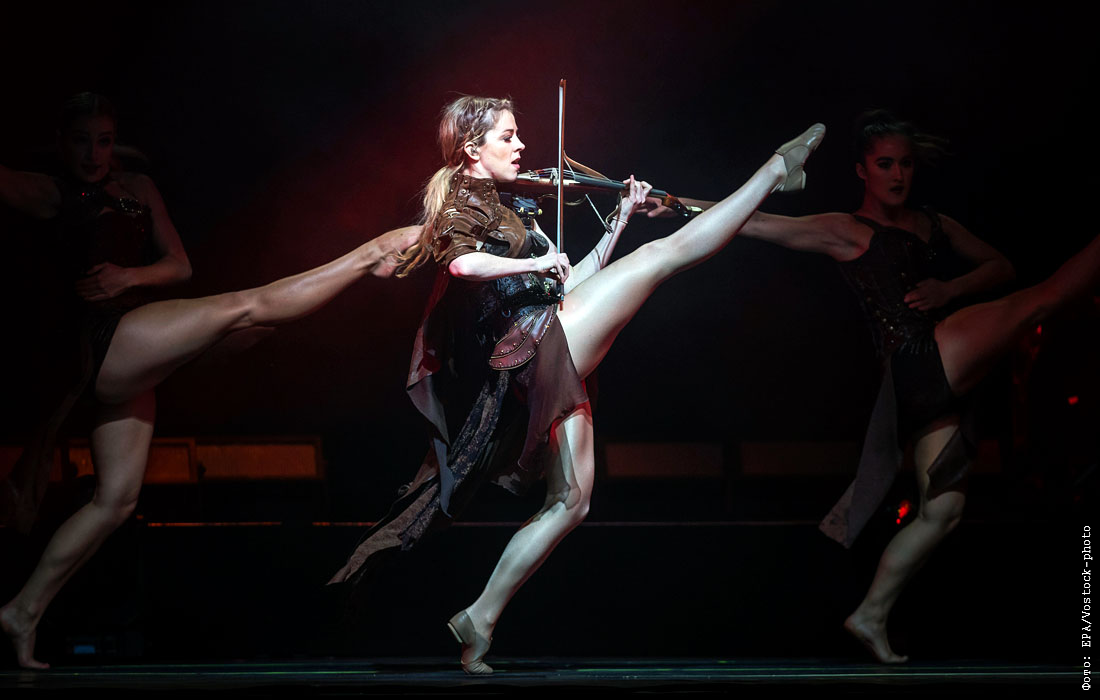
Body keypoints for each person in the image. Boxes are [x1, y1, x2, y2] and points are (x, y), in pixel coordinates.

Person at [329, 94, 826, 674]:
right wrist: (534, 263)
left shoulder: (507, 207)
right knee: (664, 256)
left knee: (572, 502)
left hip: (546, 336)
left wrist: (616, 222)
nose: (521, 145)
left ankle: (480, 619)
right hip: (536, 345)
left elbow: (573, 282)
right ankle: (774, 169)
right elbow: (463, 265)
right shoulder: (461, 201)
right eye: (508, 136)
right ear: (472, 149)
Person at [0, 93, 420, 669]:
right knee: (244, 308)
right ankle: (369, 254)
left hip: (132, 333)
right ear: (60, 143)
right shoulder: (49, 191)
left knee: (115, 501)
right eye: (80, 141)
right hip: (97, 341)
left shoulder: (138, 187)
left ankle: (22, 611)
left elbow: (179, 266)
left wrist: (128, 276)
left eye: (103, 140)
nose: (93, 154)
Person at [736, 109, 1100, 662]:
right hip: (916, 360)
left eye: (906, 164)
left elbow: (1000, 268)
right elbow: (757, 223)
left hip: (928, 378)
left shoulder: (933, 224)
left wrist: (950, 290)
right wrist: (674, 205)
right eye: (885, 164)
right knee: (1042, 301)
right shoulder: (847, 229)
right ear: (862, 171)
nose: (898, 175)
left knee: (943, 511)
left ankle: (871, 613)